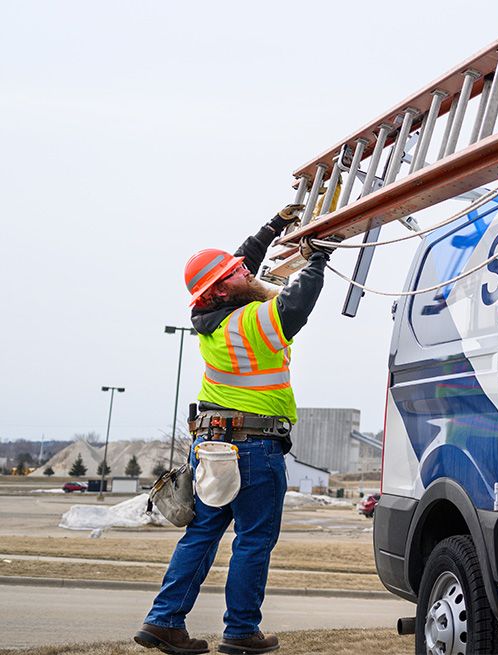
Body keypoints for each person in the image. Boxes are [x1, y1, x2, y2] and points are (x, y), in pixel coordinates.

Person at [135, 205, 336, 655]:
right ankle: (242, 631)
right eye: (235, 271)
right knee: (253, 540)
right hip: (253, 448)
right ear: (224, 286)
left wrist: (273, 227)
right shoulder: (249, 324)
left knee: (203, 534)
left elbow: (241, 268)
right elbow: (294, 305)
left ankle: (164, 620)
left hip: (211, 447)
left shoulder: (212, 321)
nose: (246, 270)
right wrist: (319, 259)